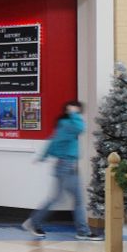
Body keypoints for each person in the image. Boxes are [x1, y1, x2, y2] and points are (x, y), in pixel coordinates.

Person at [22, 100, 102, 241]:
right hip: (66, 166)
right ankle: (81, 231)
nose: (79, 113)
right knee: (71, 199)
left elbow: (52, 142)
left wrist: (43, 157)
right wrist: (74, 113)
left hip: (68, 165)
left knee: (64, 198)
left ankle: (35, 222)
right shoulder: (68, 125)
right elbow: (80, 128)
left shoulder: (64, 126)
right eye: (76, 110)